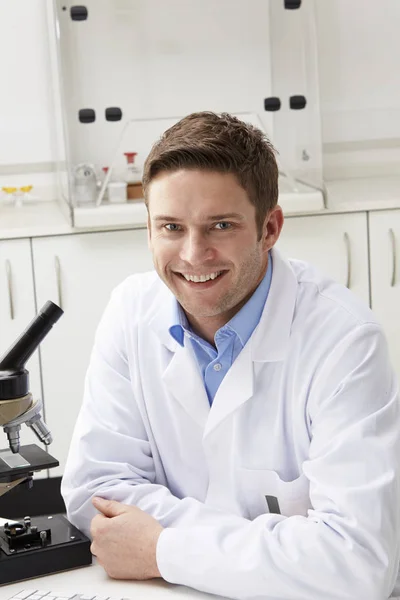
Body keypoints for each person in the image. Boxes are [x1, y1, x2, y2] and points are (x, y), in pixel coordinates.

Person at [61, 112, 400, 600]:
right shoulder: (131, 312)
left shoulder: (345, 341)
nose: (194, 255)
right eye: (171, 227)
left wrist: (163, 548)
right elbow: (95, 489)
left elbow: (357, 565)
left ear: (270, 228)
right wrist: (264, 553)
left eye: (220, 225)